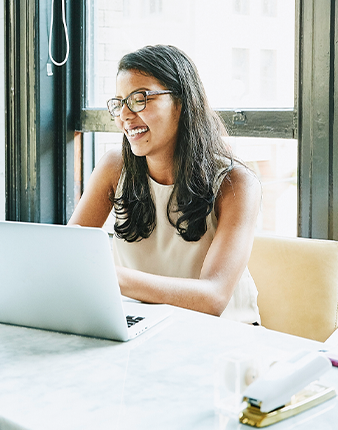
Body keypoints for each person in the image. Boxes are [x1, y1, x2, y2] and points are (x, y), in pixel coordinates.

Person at [68, 45, 261, 323]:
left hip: (222, 336)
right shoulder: (114, 167)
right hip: (141, 327)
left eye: (139, 99)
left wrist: (107, 275)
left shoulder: (236, 183)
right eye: (119, 102)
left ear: (182, 103)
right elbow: (68, 253)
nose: (124, 115)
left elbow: (213, 298)